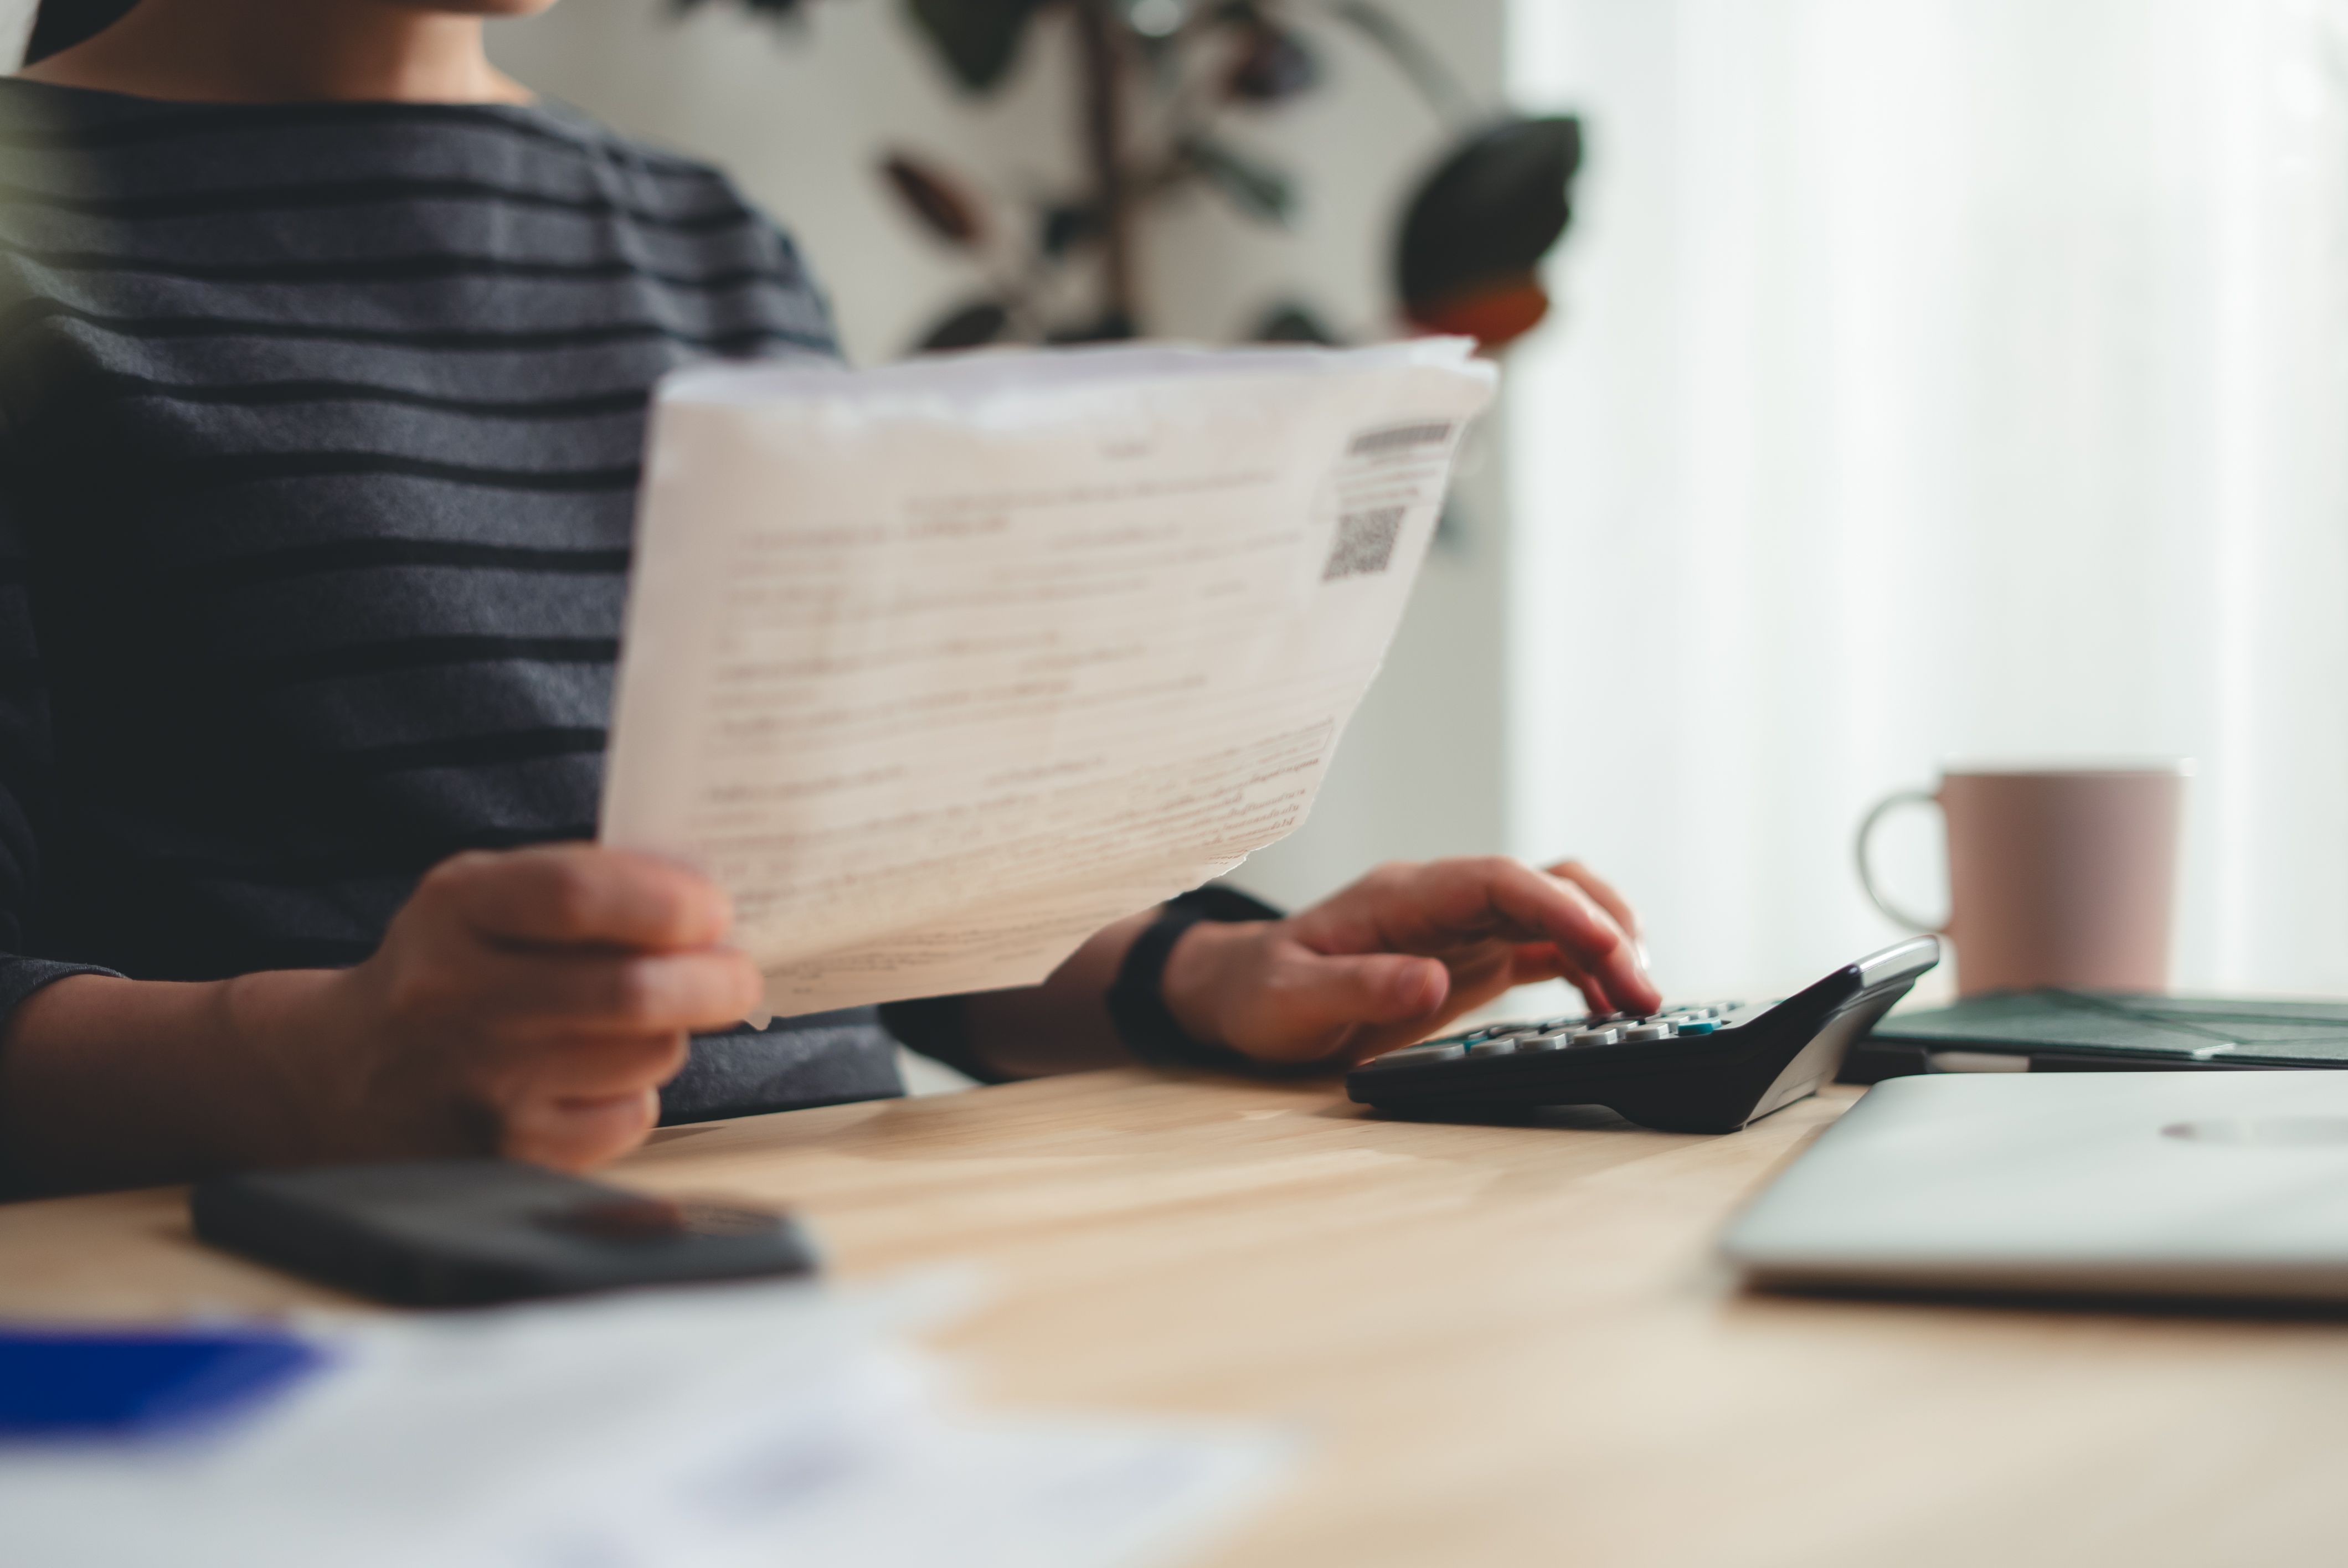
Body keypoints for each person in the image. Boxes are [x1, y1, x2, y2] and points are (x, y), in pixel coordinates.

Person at [0, 0, 1658, 1197]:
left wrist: (1222, 973)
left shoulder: (708, 241)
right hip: (316, 1329)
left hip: (847, 1272)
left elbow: (864, 897)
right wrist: (332, 1061)